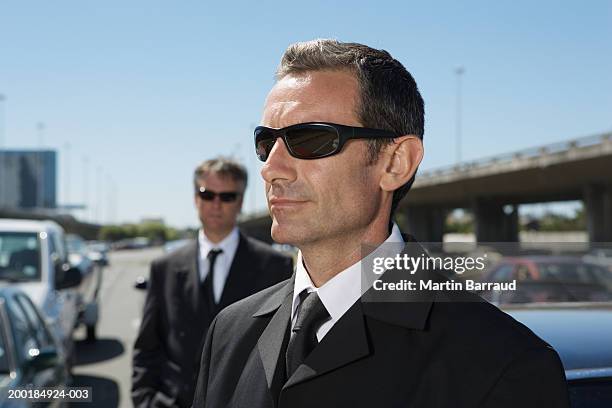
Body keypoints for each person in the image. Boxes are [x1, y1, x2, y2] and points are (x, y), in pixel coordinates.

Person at [192, 40, 570, 407]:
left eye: (309, 139)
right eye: (265, 142)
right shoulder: (229, 332)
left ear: (396, 163)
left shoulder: (504, 364)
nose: (270, 169)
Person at [132, 158, 293, 408]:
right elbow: (147, 348)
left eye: (227, 196)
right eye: (207, 195)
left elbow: (282, 354)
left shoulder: (275, 266)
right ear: (196, 198)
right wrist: (146, 401)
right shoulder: (164, 268)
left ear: (240, 202)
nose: (216, 204)